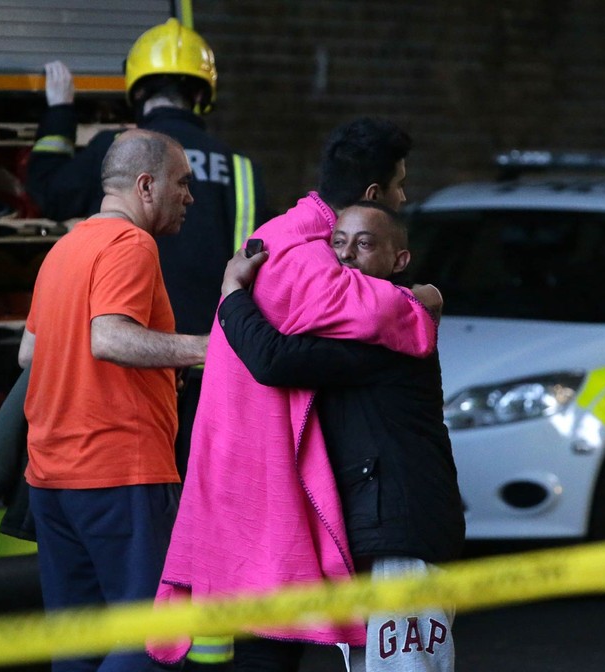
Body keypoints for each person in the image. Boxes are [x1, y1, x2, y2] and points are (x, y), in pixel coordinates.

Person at [149, 118, 441, 671]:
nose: (405, 196)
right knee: (267, 648)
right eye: (400, 185)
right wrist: (422, 303)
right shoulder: (306, 257)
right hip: (262, 479)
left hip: (240, 469)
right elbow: (369, 315)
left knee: (260, 642)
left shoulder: (280, 234)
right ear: (373, 194)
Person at [218, 201, 465, 671]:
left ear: (399, 260)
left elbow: (274, 360)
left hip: (402, 531)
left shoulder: (389, 323)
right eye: (338, 242)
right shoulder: (364, 316)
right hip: (381, 526)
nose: (347, 255)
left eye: (365, 243)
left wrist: (232, 294)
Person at [25, 18, 273, 479]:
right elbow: (265, 271)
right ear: (202, 95)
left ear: (136, 92)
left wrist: (59, 111)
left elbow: (49, 191)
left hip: (126, 382)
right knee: (204, 497)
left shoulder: (115, 150)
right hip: (215, 373)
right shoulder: (242, 170)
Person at [18, 128, 209, 672]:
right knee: (150, 644)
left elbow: (30, 353)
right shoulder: (131, 244)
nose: (189, 196)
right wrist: (206, 349)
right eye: (182, 183)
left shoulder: (65, 248)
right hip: (119, 473)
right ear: (146, 187)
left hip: (51, 480)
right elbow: (110, 337)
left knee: (78, 648)